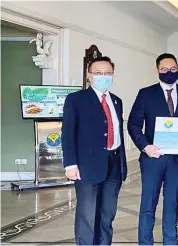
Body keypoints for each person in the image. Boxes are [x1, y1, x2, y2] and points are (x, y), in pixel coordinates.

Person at [128, 53, 178, 245]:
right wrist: (145, 147)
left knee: (171, 204)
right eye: (164, 69)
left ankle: (170, 241)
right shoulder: (146, 94)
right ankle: (145, 242)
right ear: (157, 70)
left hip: (177, 159)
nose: (169, 72)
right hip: (153, 158)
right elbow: (134, 124)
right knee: (148, 205)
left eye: (173, 69)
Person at [62, 56, 128, 245]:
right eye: (98, 73)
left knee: (107, 215)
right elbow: (68, 133)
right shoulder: (76, 99)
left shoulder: (116, 101)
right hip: (87, 165)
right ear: (89, 76)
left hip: (114, 164)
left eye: (108, 73)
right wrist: (70, 164)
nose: (103, 76)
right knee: (87, 215)